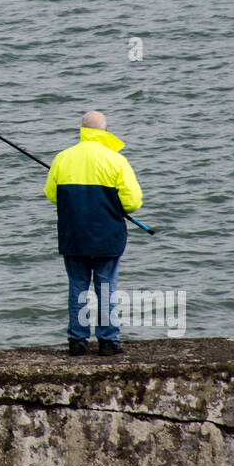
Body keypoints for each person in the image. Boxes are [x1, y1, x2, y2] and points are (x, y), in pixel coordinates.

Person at [43, 111, 143, 356]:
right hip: (107, 235)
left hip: (73, 234)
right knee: (106, 286)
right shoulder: (116, 160)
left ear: (81, 131)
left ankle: (77, 341)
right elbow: (133, 203)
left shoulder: (62, 158)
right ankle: (108, 341)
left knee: (77, 285)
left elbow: (51, 194)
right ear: (106, 131)